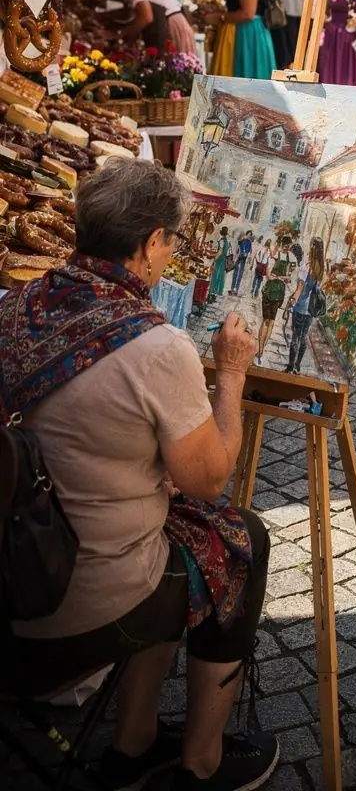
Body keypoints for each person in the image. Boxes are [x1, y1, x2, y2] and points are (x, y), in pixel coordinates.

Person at [0, 160, 279, 791]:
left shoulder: (16, 305)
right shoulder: (156, 347)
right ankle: (201, 764)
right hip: (70, 605)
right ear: (151, 243)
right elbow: (209, 481)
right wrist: (231, 374)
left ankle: (136, 742)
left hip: (9, 576)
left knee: (176, 533)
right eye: (172, 239)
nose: (172, 251)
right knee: (239, 539)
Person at [284, 238, 326, 375]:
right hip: (311, 309)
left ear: (312, 248)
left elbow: (300, 288)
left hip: (301, 307)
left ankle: (290, 367)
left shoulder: (306, 267)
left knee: (296, 337)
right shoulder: (321, 269)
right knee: (303, 337)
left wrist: (291, 301)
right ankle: (297, 366)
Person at [258, 233, 294, 361]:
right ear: (282, 245)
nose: (286, 248)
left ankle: (262, 349)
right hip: (271, 290)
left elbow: (289, 278)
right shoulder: (275, 257)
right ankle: (260, 348)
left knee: (270, 321)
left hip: (278, 292)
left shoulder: (289, 260)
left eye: (288, 246)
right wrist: (280, 277)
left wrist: (281, 277)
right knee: (266, 320)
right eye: (285, 246)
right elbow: (268, 274)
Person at [207, 225, 231, 304]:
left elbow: (220, 251)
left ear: (221, 233)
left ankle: (211, 296)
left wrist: (214, 259)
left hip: (219, 261)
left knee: (215, 277)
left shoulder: (221, 240)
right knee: (219, 278)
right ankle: (214, 295)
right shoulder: (226, 241)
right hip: (223, 261)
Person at [230, 229, 253, 295]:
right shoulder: (241, 240)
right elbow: (237, 247)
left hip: (243, 259)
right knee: (235, 273)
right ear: (246, 234)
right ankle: (232, 289)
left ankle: (236, 289)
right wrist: (236, 255)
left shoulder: (249, 242)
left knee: (240, 274)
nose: (249, 236)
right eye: (248, 234)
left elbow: (249, 250)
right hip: (238, 257)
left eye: (250, 235)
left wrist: (247, 254)